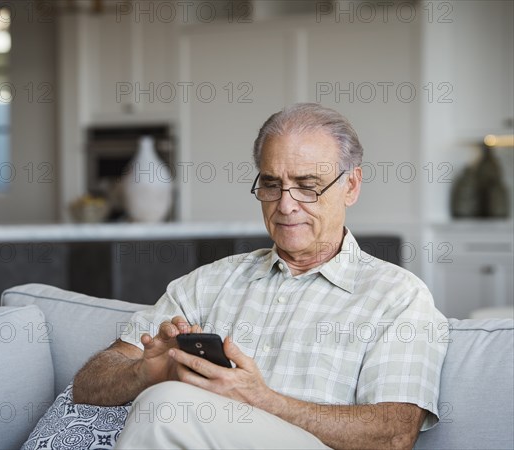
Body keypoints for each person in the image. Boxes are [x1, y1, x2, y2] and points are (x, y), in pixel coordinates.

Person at [73, 103, 448, 449]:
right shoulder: (208, 283)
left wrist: (262, 400)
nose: (286, 205)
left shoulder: (398, 296)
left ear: (350, 186)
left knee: (169, 405)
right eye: (271, 184)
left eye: (307, 185)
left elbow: (396, 433)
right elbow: (88, 384)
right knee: (164, 398)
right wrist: (145, 372)